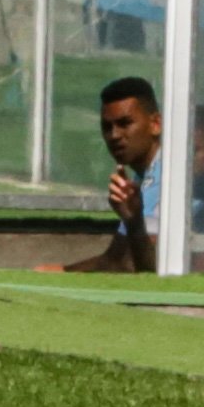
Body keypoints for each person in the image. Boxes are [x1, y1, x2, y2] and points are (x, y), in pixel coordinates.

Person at [70, 76, 165, 273]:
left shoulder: (165, 176)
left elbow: (127, 263)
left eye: (125, 123)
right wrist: (60, 271)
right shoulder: (141, 177)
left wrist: (62, 272)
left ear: (155, 123)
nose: (114, 135)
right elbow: (114, 258)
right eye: (107, 127)